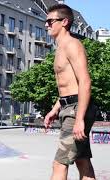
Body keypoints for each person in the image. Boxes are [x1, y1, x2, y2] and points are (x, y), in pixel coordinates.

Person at [43, 4, 97, 180]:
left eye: (50, 21)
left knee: (59, 163)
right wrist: (55, 108)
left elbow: (85, 82)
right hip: (70, 107)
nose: (46, 25)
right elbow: (69, 86)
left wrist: (79, 119)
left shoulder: (72, 45)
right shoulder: (60, 47)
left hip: (76, 110)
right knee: (82, 161)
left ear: (64, 22)